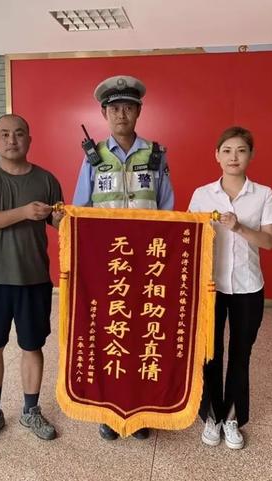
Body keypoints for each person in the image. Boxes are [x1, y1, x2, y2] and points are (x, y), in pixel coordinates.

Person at [72, 75, 175, 441]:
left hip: (147, 263)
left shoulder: (156, 154)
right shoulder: (93, 157)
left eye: (128, 107)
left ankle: (141, 409)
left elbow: (167, 210)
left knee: (142, 334)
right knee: (108, 334)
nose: (121, 114)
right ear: (104, 113)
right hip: (108, 262)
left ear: (138, 111)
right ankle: (108, 411)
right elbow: (80, 209)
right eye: (114, 108)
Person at [0, 114, 64, 448]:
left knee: (32, 347)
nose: (12, 140)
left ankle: (31, 411)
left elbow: (59, 223)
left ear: (29, 139)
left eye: (19, 133)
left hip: (34, 279)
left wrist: (63, 219)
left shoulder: (46, 179)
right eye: (4, 134)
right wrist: (24, 212)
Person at [188, 126, 272, 449]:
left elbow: (269, 241)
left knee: (241, 354)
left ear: (251, 155)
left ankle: (232, 417)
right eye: (227, 150)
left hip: (248, 287)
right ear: (216, 155)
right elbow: (189, 237)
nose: (233, 157)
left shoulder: (263, 194)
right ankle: (211, 415)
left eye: (241, 150)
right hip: (209, 288)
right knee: (210, 353)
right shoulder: (202, 195)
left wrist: (239, 227)